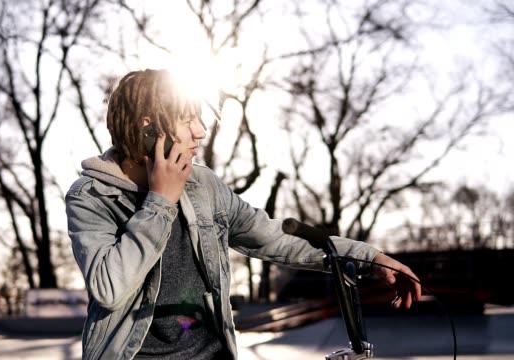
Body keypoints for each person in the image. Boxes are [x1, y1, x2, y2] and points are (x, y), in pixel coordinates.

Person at [65, 69, 421, 360]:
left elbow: (274, 237)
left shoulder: (203, 185)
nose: (200, 132)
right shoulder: (92, 196)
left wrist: (370, 258)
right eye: (187, 120)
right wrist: (159, 201)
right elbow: (108, 289)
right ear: (149, 129)